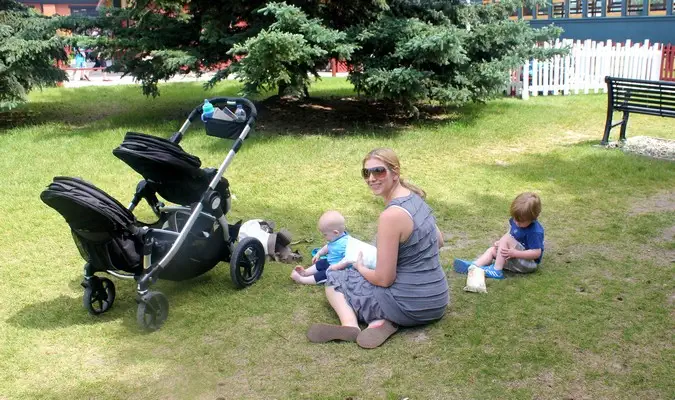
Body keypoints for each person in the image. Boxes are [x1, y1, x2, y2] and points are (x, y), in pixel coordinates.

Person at [306, 148, 449, 349]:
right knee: (375, 280)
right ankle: (382, 322)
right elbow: (439, 241)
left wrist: (359, 266)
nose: (371, 178)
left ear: (395, 172)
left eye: (379, 171)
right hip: (438, 300)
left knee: (335, 278)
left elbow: (384, 279)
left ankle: (351, 325)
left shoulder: (391, 216)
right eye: (366, 173)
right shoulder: (415, 199)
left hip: (411, 304)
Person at [453, 192, 544, 280]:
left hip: (528, 264)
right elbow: (511, 234)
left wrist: (515, 253)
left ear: (533, 218)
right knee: (492, 250)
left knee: (507, 239)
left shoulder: (535, 231)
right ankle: (474, 266)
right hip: (515, 257)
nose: (516, 222)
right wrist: (501, 244)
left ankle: (497, 271)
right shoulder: (517, 220)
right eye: (515, 219)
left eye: (521, 221)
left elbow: (536, 253)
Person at [291, 211, 353, 285]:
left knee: (324, 275)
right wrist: (319, 253)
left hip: (339, 271)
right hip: (331, 262)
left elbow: (349, 259)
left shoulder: (346, 244)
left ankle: (302, 280)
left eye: (325, 235)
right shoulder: (337, 238)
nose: (323, 237)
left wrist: (336, 266)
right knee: (321, 263)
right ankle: (305, 272)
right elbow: (328, 247)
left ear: (335, 232)